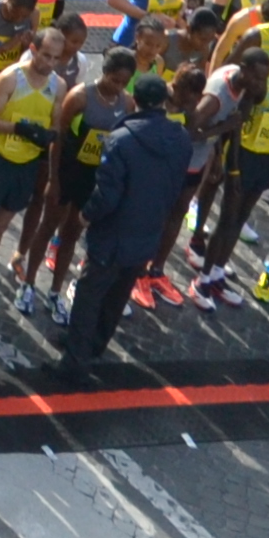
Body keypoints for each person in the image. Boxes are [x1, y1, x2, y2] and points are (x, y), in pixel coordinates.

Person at [56, 72, 200, 366]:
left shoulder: (121, 139)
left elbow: (107, 194)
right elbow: (176, 188)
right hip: (149, 230)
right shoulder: (182, 138)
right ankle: (93, 346)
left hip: (114, 232)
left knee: (89, 294)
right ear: (163, 101)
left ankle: (74, 362)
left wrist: (86, 215)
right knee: (117, 296)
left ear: (136, 100)